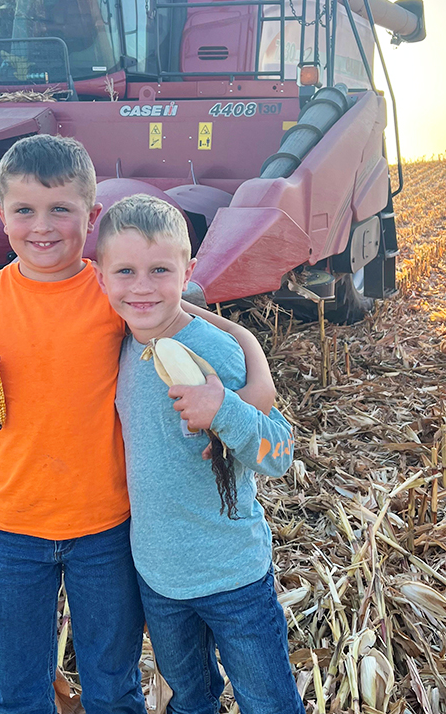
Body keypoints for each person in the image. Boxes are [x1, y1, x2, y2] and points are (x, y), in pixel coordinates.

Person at [0, 135, 277, 714]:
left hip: (104, 526)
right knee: (18, 686)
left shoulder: (111, 289)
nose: (41, 226)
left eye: (61, 210)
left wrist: (252, 373)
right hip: (10, 521)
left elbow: (190, 316)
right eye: (24, 210)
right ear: (1, 216)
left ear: (90, 216)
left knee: (111, 682)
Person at [95, 195, 305, 714]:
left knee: (269, 702)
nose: (141, 286)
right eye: (125, 271)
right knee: (189, 699)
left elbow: (279, 454)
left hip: (234, 577)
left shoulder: (213, 350)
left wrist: (224, 410)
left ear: (187, 272)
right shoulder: (116, 346)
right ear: (100, 277)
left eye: (160, 270)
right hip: (159, 579)